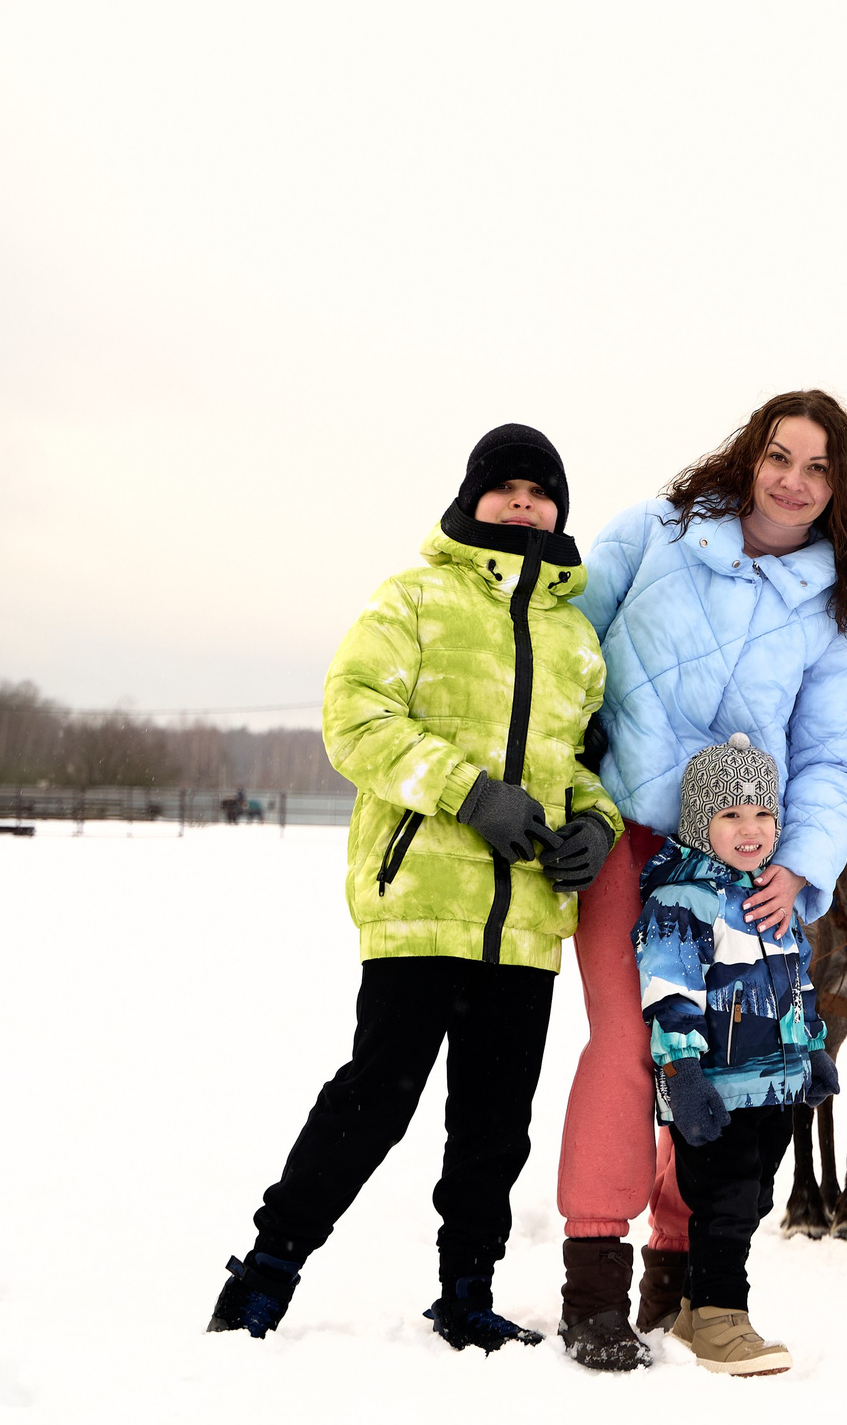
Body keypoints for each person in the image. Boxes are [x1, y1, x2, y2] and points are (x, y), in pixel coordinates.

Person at [206, 425, 622, 1351]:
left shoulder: (575, 636)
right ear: (472, 497)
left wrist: (595, 823)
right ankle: (266, 1272)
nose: (525, 504)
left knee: (495, 1123)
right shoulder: (416, 599)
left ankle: (466, 1291)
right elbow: (353, 718)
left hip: (524, 924)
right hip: (421, 903)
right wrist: (469, 794)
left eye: (541, 491)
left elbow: (582, 763)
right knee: (372, 1101)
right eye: (506, 487)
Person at [553, 389, 847, 1372]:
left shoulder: (837, 609)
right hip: (624, 826)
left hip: (737, 860)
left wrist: (801, 860)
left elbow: (828, 756)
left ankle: (683, 1269)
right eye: (781, 456)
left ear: (840, 489)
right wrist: (568, 772)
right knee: (631, 1041)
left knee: (730, 1064)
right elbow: (566, 640)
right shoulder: (655, 531)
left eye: (818, 468)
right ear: (749, 455)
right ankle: (593, 1278)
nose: (792, 480)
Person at [639, 734, 838, 1375]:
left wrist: (813, 1049)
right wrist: (683, 1073)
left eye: (762, 814)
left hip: (775, 1085)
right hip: (715, 1084)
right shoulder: (682, 899)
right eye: (730, 815)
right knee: (724, 1198)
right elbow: (668, 994)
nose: (750, 829)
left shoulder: (771, 896)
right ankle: (727, 1321)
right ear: (702, 821)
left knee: (752, 1198)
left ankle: (698, 1308)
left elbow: (796, 981)